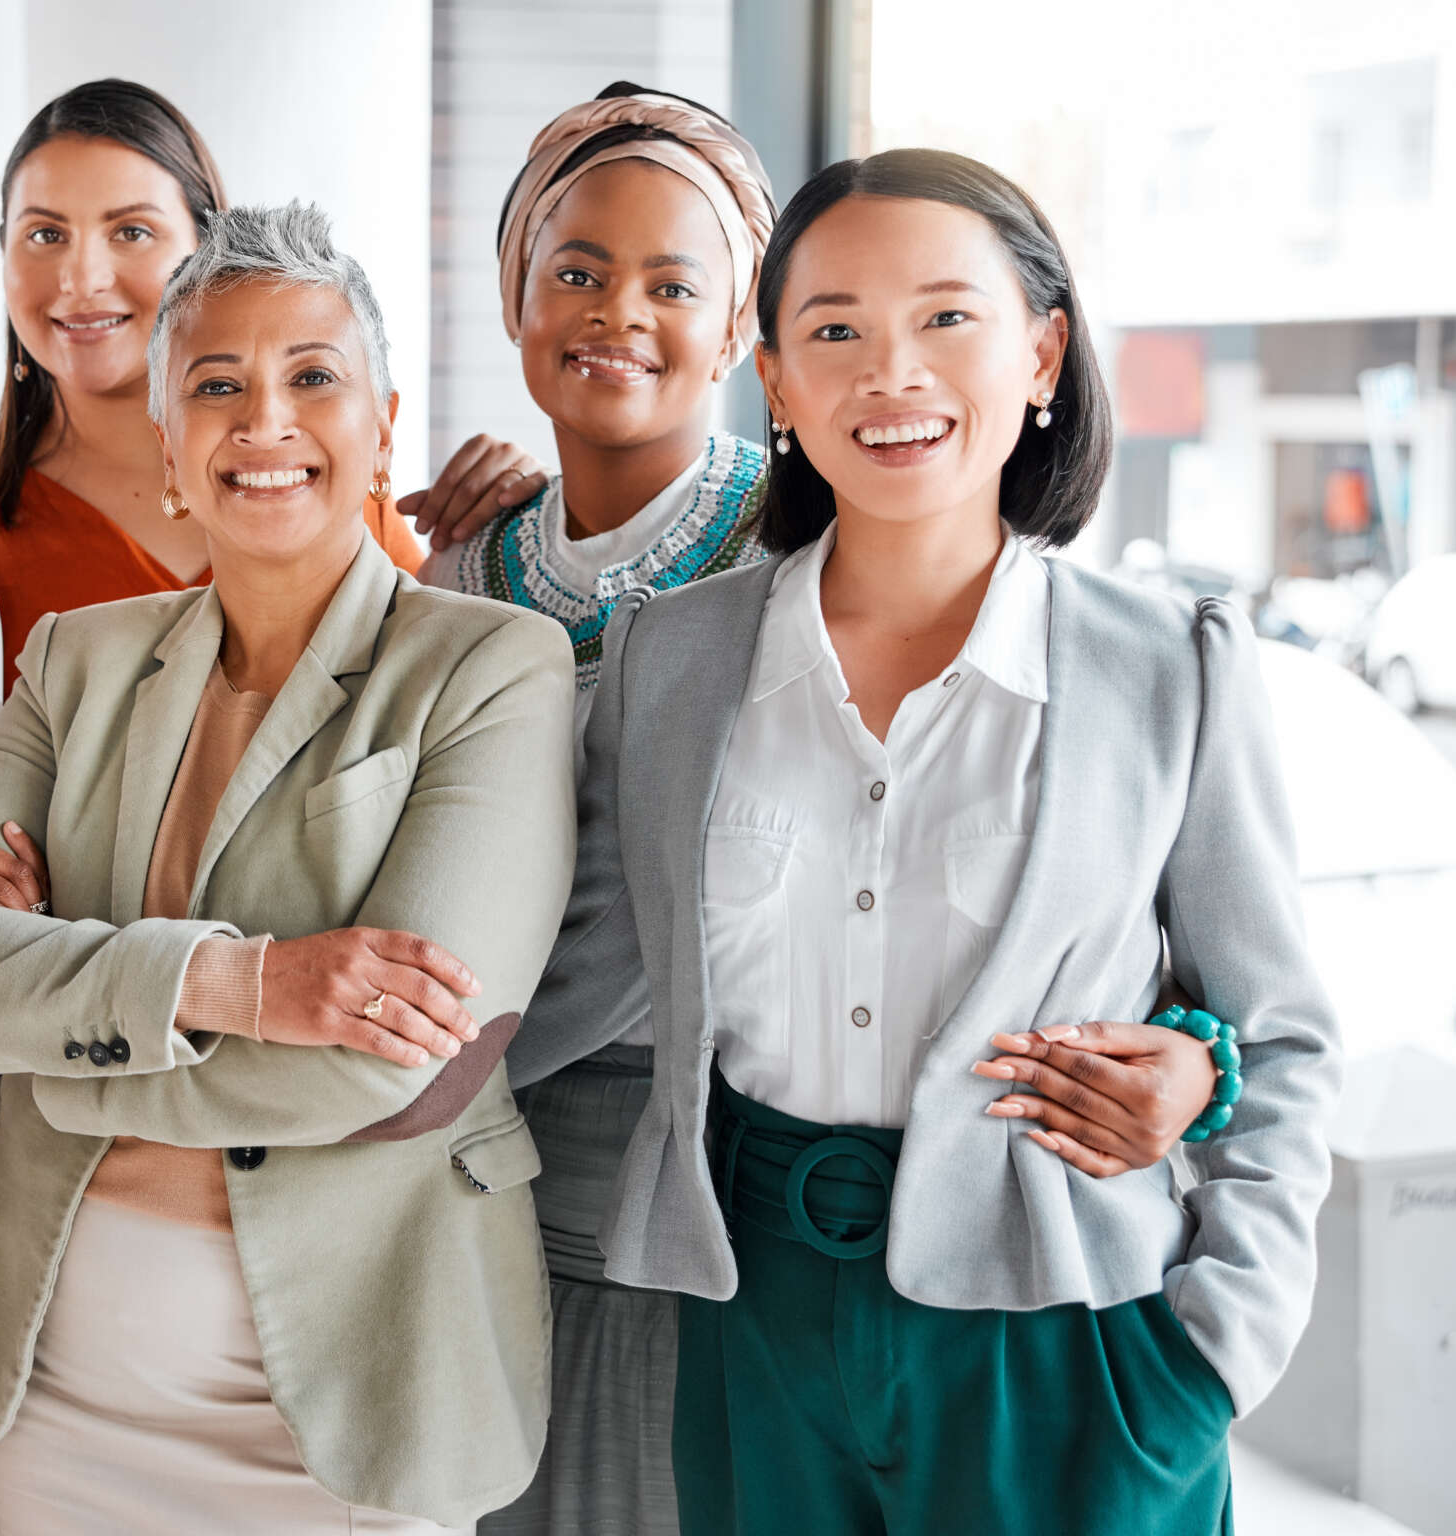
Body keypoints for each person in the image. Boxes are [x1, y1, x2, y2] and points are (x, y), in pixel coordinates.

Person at [416, 86, 1227, 1536]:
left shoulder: (1162, 663)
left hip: (1060, 1312)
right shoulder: (675, 646)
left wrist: (1210, 1359)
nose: (890, 371)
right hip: (742, 1275)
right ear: (783, 375)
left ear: (1042, 352)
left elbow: (1270, 1026)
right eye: (840, 329)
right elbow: (587, 944)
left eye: (947, 321)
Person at [0, 202, 575, 1534]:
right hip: (63, 1390)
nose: (265, 420)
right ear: (170, 442)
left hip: (355, 1395)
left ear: (381, 420)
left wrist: (55, 1040)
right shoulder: (75, 658)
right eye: (216, 385)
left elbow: (392, 1062)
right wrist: (238, 985)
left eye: (313, 377)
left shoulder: (489, 666)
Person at [0, 78, 441, 685]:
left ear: (206, 248)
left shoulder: (325, 480)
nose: (82, 279)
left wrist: (530, 511)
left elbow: (436, 677)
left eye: (131, 231)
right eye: (45, 235)